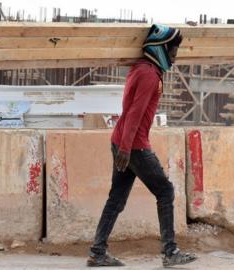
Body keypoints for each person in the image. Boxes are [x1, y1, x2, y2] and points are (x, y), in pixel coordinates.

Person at [87, 24, 197, 268]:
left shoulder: (141, 69)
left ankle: (98, 251)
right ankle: (170, 252)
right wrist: (126, 149)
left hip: (122, 141)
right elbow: (135, 113)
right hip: (133, 145)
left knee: (116, 199)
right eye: (173, 51)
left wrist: (123, 146)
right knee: (165, 191)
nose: (175, 57)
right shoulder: (149, 75)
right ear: (160, 48)